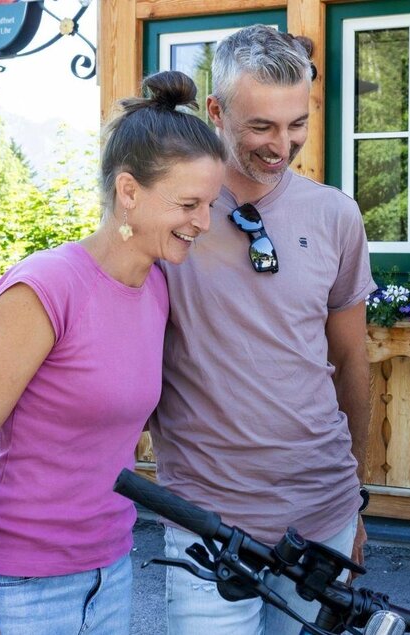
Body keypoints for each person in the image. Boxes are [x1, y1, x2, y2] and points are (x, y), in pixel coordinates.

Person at [0, 70, 225, 635]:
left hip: (110, 576)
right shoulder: (45, 287)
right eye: (189, 203)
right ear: (129, 191)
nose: (204, 223)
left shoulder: (156, 286)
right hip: (17, 589)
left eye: (209, 204)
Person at [147, 25, 376, 635]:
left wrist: (355, 500)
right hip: (208, 519)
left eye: (296, 123)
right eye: (261, 127)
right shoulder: (169, 214)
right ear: (216, 110)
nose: (283, 145)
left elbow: (351, 363)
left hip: (321, 512)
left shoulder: (336, 214)